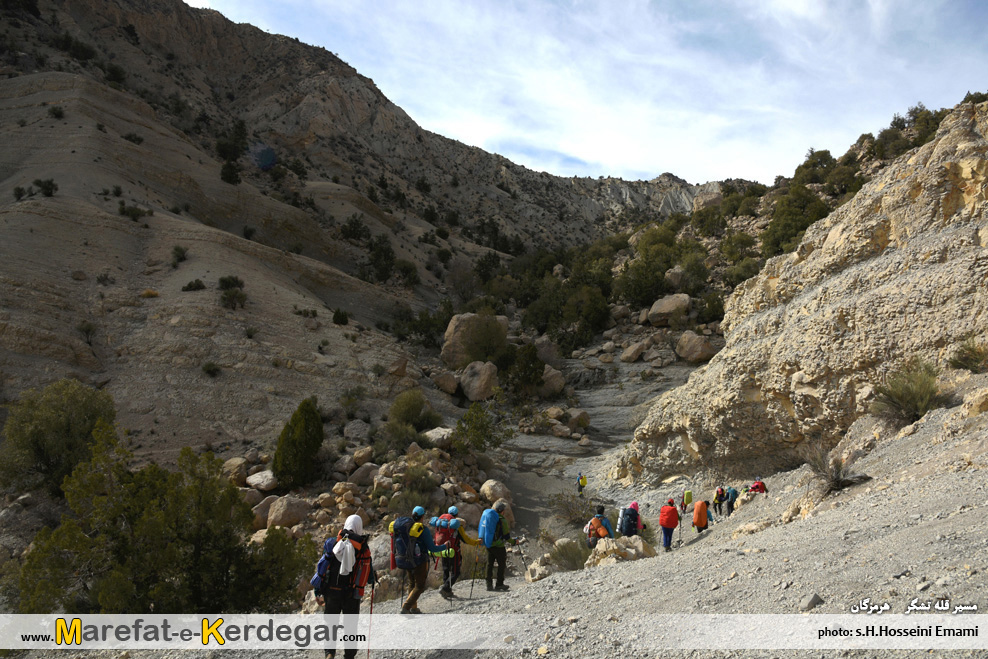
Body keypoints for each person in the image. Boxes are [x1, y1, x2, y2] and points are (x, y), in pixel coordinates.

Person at [312, 514, 376, 659]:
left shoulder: (332, 543)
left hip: (331, 593)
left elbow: (322, 567)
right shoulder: (363, 548)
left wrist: (318, 592)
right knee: (351, 628)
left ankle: (329, 654)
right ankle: (349, 656)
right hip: (351, 595)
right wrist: (372, 578)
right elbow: (369, 576)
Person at [397, 506, 448, 614]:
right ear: (422, 516)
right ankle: (406, 607)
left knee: (412, 583)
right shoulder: (422, 529)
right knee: (419, 586)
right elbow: (432, 548)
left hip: (407, 559)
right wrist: (444, 546)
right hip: (420, 561)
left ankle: (413, 607)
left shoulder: (407, 528)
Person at [434, 506, 479, 599]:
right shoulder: (456, 526)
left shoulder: (441, 523)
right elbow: (466, 540)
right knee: (456, 572)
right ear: (457, 514)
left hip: (443, 549)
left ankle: (447, 590)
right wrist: (476, 542)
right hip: (454, 551)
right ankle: (446, 588)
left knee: (446, 569)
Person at [485, 500, 518, 592]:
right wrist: (514, 542)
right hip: (499, 546)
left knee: (489, 564)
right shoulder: (502, 520)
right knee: (501, 564)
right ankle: (499, 584)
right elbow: (506, 536)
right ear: (502, 511)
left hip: (489, 544)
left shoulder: (489, 518)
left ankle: (488, 585)